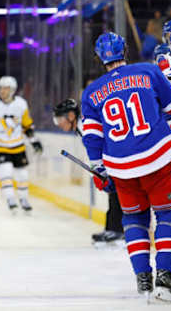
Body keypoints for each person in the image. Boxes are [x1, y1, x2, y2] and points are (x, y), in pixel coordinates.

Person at [81, 32, 171, 302]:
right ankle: (165, 275)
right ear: (125, 50)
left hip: (120, 166)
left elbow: (92, 137)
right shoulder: (149, 71)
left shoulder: (91, 92)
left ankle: (143, 280)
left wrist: (99, 168)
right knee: (168, 214)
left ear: (99, 59)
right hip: (156, 157)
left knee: (133, 219)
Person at [52, 98, 124, 245]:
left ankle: (118, 230)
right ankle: (112, 228)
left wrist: (103, 170)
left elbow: (102, 147)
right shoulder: (80, 126)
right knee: (113, 193)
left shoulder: (85, 126)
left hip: (117, 157)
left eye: (60, 118)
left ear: (71, 116)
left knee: (117, 192)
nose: (58, 123)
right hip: (112, 159)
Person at [0, 76, 43, 213]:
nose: (2, 91)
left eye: (6, 88)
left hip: (18, 145)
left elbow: (27, 125)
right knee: (5, 170)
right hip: (0, 146)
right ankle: (10, 200)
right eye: (0, 88)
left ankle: (24, 199)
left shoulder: (21, 104)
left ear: (13, 90)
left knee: (23, 175)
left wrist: (34, 141)